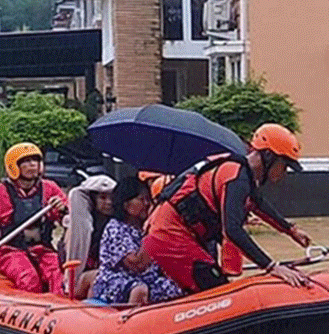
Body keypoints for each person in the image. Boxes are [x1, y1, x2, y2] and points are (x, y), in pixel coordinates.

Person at [141, 123, 314, 293]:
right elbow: (232, 230)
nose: (284, 173)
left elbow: (259, 204)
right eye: (284, 166)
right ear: (268, 155)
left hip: (176, 235)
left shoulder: (242, 174)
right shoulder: (236, 178)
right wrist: (272, 267)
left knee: (214, 285)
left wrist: (291, 230)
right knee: (216, 291)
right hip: (169, 236)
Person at [0, 142, 67, 294]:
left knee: (60, 279)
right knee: (30, 281)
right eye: (26, 161)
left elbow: (69, 220)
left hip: (42, 250)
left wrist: (63, 209)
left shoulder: (50, 189)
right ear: (14, 166)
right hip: (9, 251)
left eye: (36, 160)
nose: (33, 164)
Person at [90, 176, 184, 306]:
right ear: (126, 205)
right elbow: (136, 264)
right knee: (139, 290)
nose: (147, 204)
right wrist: (155, 232)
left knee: (177, 288)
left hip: (148, 279)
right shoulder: (116, 227)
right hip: (117, 281)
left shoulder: (142, 227)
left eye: (148, 200)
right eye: (142, 200)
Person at [60, 174, 117, 299]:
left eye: (112, 198)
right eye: (103, 198)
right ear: (92, 199)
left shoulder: (118, 226)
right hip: (80, 278)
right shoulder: (76, 227)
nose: (108, 203)